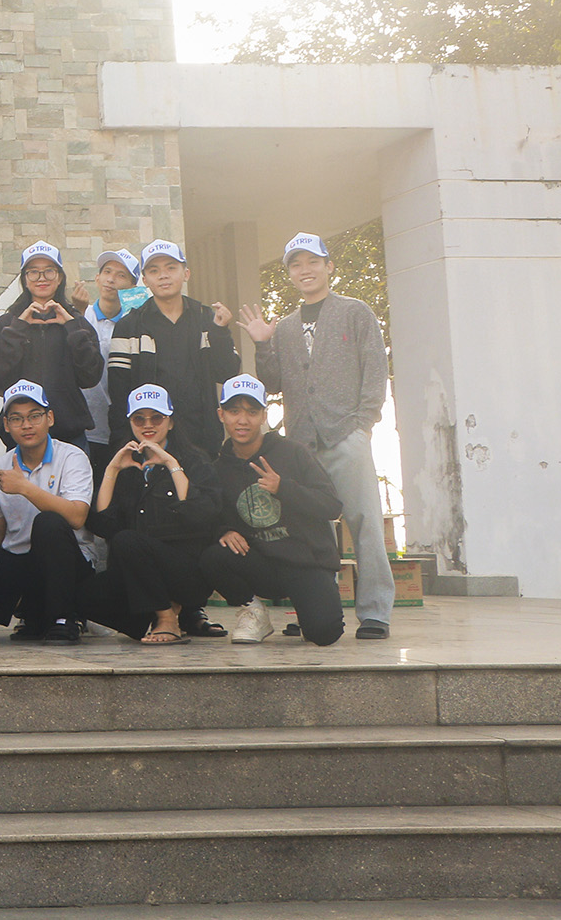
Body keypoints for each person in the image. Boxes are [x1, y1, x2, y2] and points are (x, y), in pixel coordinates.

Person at [239, 232, 393, 641]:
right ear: (289, 273)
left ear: (328, 266)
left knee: (364, 523)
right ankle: (314, 608)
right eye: (295, 264)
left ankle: (376, 612)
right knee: (309, 534)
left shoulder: (355, 312)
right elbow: (271, 382)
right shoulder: (285, 327)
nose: (304, 270)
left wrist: (364, 424)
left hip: (347, 435)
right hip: (303, 443)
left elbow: (375, 370)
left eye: (312, 262)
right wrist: (262, 344)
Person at [200, 375, 347, 646]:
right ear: (221, 415)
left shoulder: (293, 452)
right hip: (262, 564)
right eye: (234, 411)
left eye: (252, 412)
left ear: (263, 416)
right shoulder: (218, 469)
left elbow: (331, 505)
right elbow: (211, 515)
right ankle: (254, 612)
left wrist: (283, 488)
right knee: (211, 556)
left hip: (306, 562)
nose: (242, 420)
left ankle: (313, 605)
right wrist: (225, 529)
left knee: (324, 633)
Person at [83, 385, 226, 645]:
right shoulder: (128, 464)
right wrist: (112, 471)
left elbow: (200, 514)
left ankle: (168, 618)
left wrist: (172, 465)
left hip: (186, 574)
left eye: (156, 418)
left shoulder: (194, 461)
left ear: (170, 422)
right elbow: (104, 526)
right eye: (139, 419)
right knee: (82, 594)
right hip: (142, 576)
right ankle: (153, 614)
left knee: (127, 540)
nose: (148, 425)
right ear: (130, 423)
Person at [0, 381, 98, 643]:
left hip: (71, 563)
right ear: (7, 426)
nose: (26, 425)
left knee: (49, 523)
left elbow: (77, 517)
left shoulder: (72, 457)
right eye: (17, 418)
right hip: (24, 563)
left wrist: (24, 487)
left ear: (50, 418)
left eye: (35, 416)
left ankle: (64, 618)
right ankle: (31, 614)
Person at [107, 240, 241, 457]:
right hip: (149, 444)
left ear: (186, 273)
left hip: (202, 441)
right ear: (145, 280)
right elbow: (119, 393)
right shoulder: (129, 325)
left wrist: (220, 332)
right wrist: (123, 445)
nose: (163, 275)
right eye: (154, 270)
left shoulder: (207, 318)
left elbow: (227, 372)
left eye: (171, 267)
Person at [0, 242, 103, 449]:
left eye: (49, 271)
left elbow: (91, 376)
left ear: (60, 278)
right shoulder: (6, 323)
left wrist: (72, 328)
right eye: (33, 273)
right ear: (25, 280)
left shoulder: (77, 322)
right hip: (20, 435)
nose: (41, 278)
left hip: (70, 435)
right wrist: (18, 328)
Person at [79, 249, 140, 486]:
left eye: (121, 275)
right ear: (97, 278)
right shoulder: (80, 317)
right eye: (107, 272)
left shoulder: (135, 325)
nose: (111, 280)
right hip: (81, 431)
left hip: (118, 432)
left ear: (133, 286)